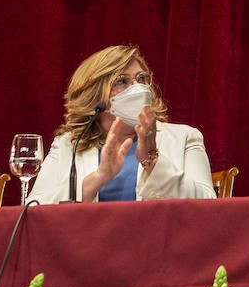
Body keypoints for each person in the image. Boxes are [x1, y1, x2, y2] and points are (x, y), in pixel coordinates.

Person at [29, 44, 215, 203]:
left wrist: (152, 160)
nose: (138, 87)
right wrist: (95, 181)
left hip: (158, 244)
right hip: (89, 244)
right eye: (122, 81)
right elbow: (33, 210)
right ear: (95, 95)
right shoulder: (67, 144)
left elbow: (208, 207)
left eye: (142, 79)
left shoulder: (185, 137)